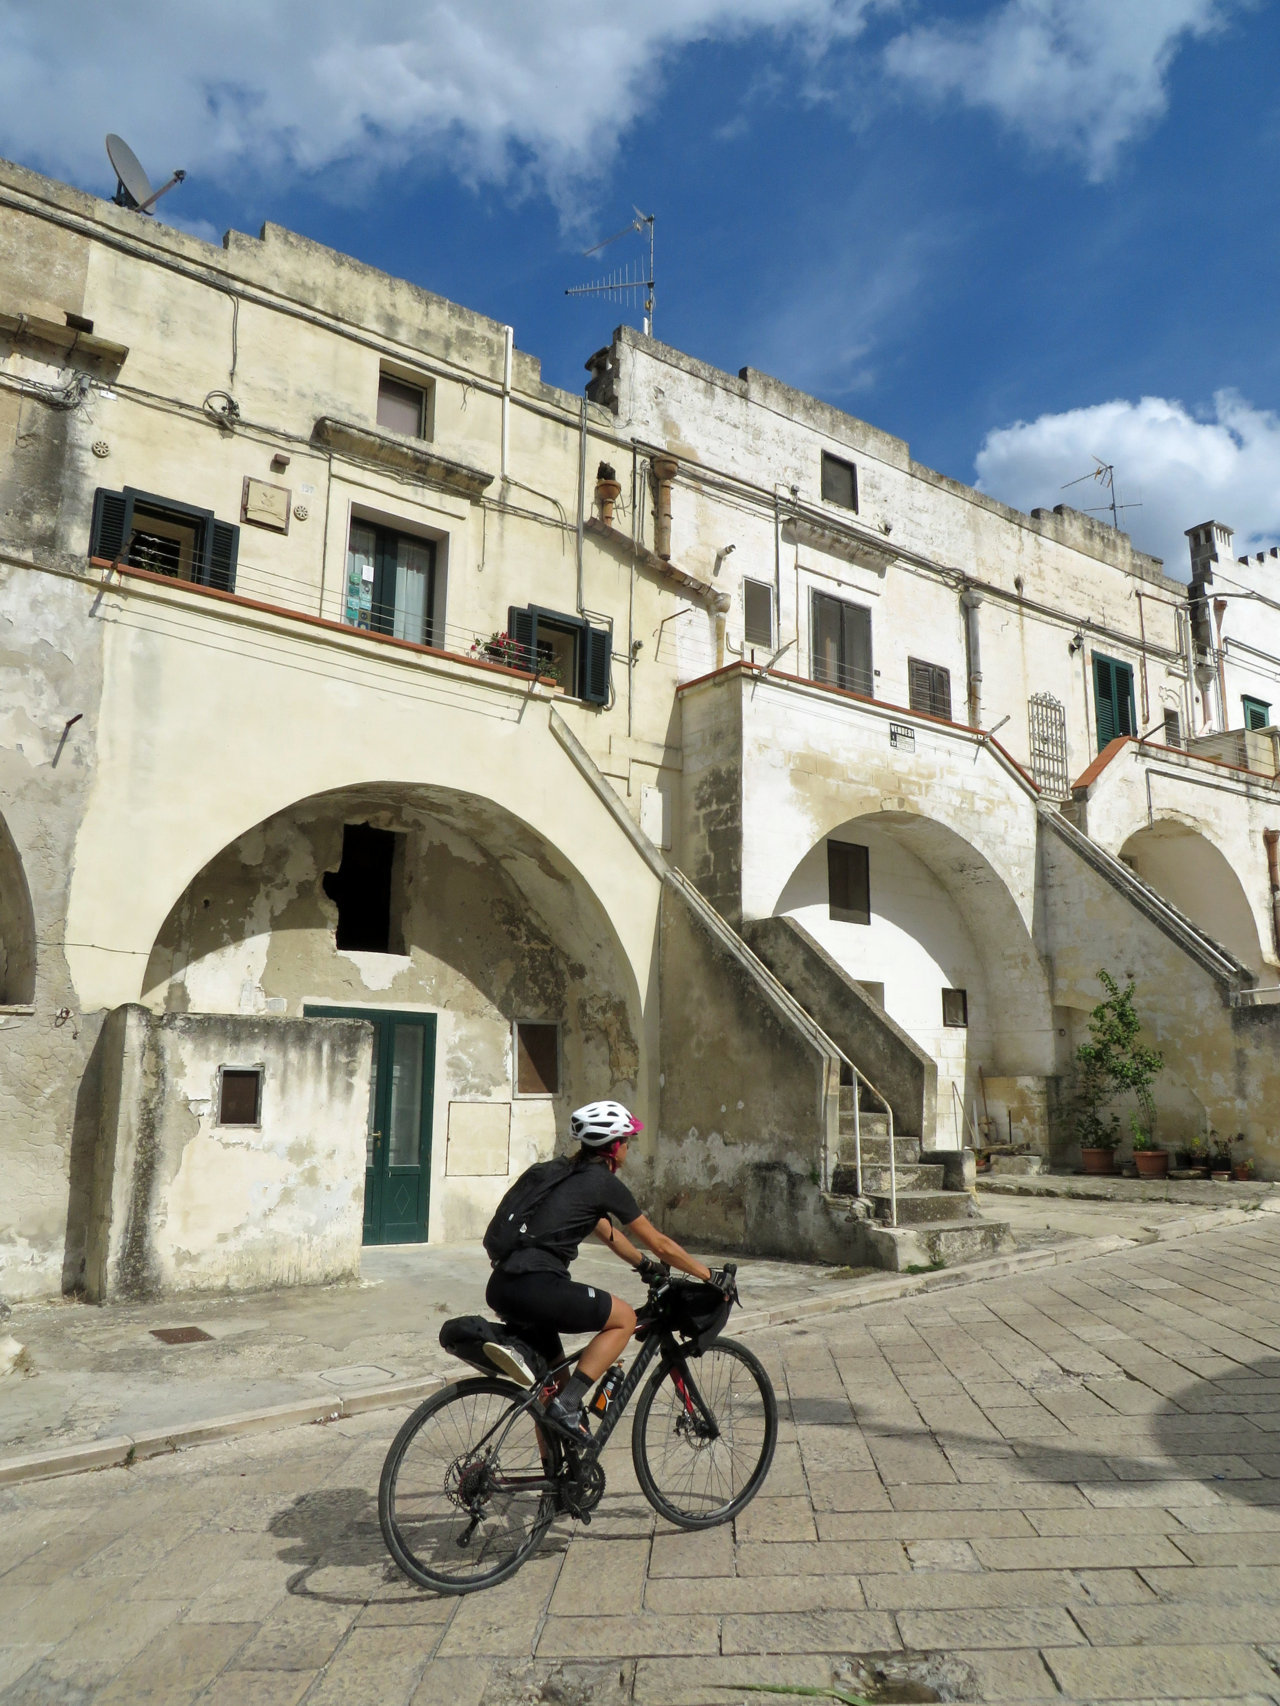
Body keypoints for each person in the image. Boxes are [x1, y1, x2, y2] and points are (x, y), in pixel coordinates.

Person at [484, 1099, 718, 1442]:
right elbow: (659, 1242)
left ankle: (557, 1484)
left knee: (553, 1388)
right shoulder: (602, 1183)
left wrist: (645, 1266)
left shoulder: (568, 1175)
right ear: (613, 1147)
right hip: (536, 1285)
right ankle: (567, 1406)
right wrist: (710, 1276)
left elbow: (608, 1234)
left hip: (504, 1284)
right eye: (627, 1141)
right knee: (623, 1318)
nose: (628, 1148)